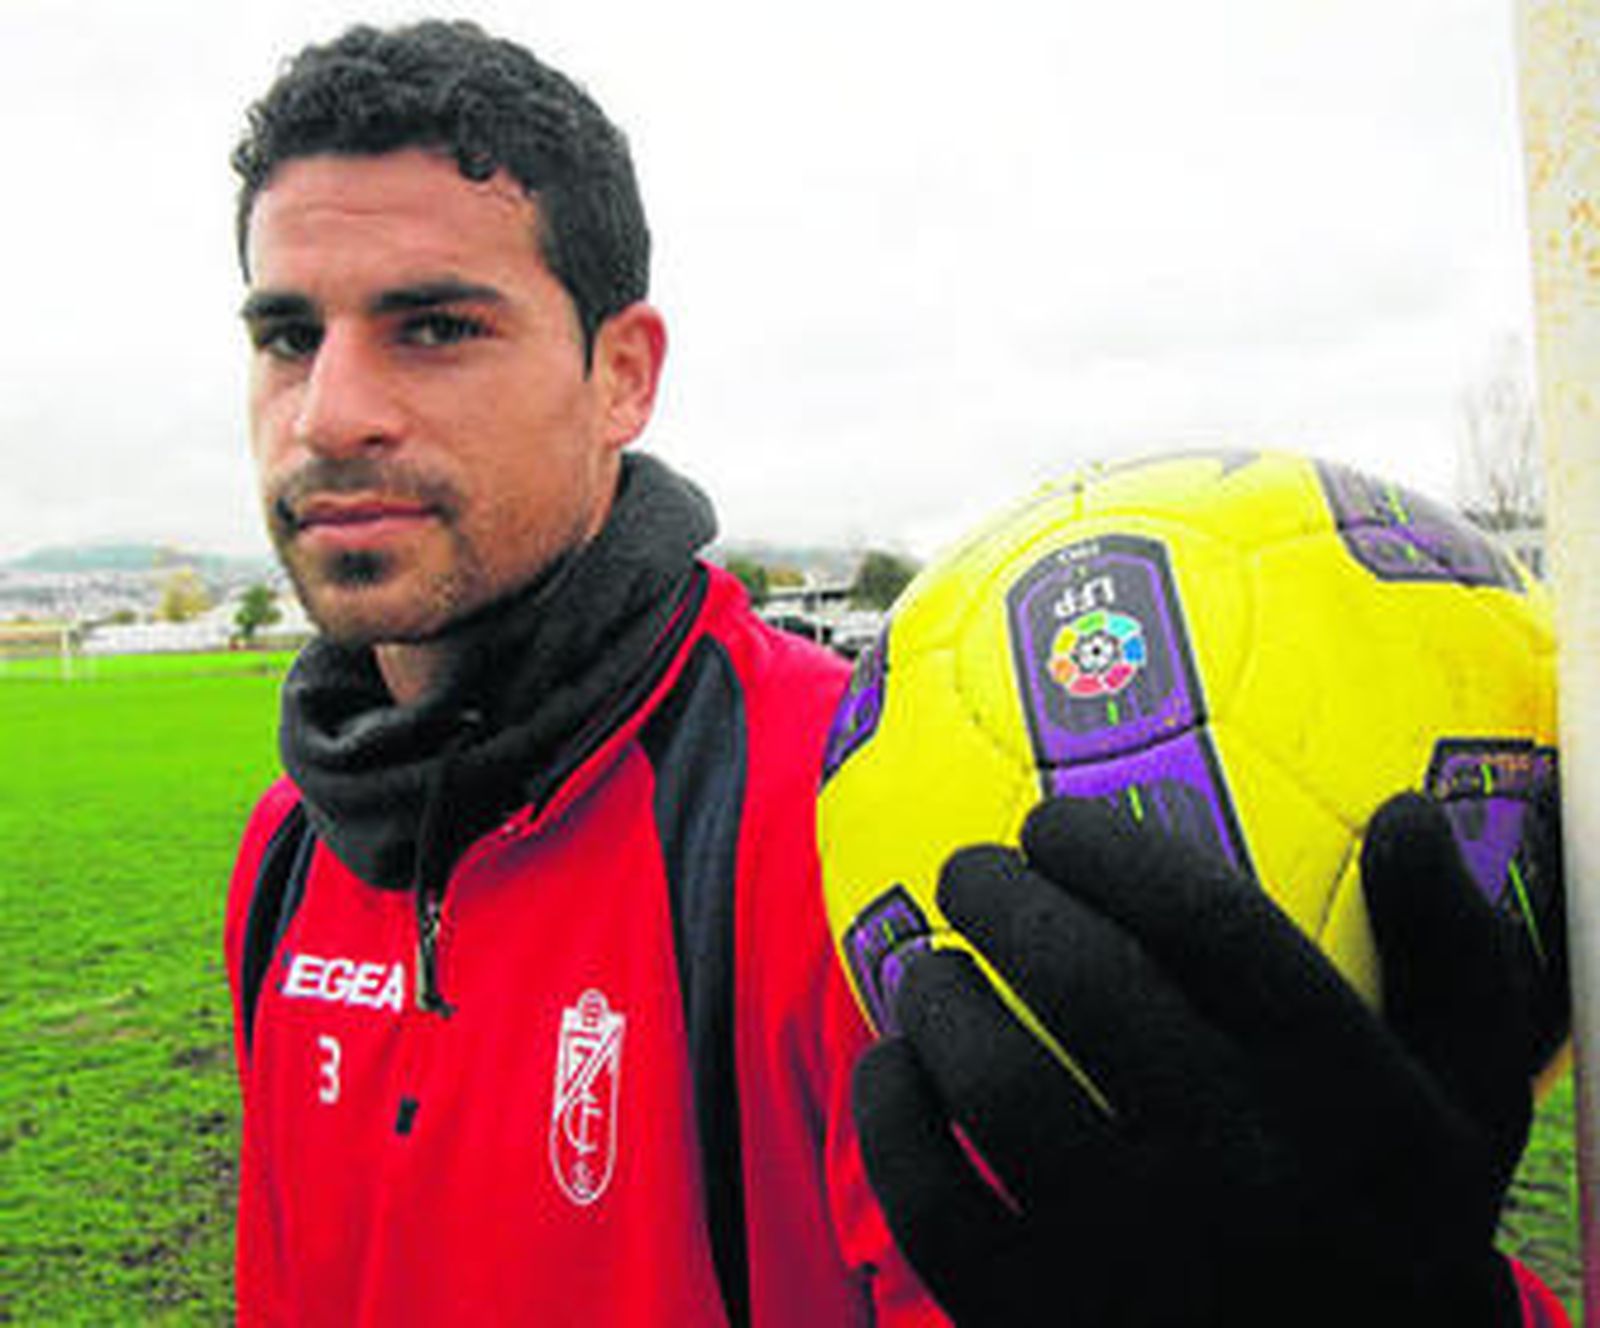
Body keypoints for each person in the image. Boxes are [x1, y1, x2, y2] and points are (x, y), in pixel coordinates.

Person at [222, 19, 1571, 1327]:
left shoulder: (857, 819)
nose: (330, 412)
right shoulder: (287, 851)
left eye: (437, 327)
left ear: (622, 374)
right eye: (289, 335)